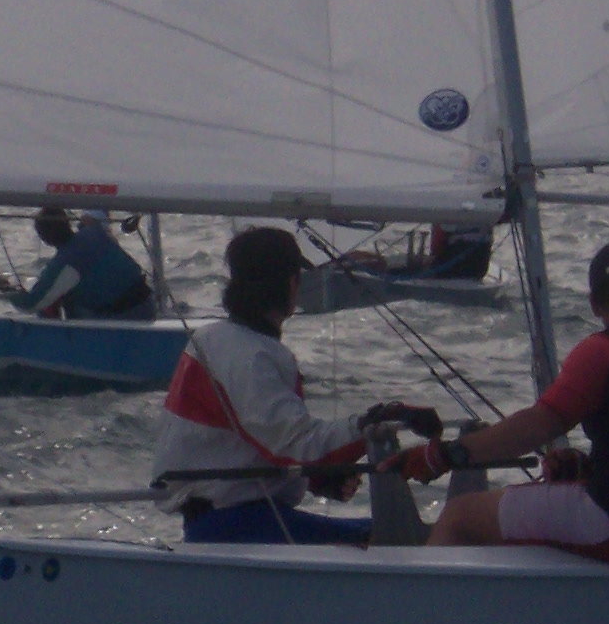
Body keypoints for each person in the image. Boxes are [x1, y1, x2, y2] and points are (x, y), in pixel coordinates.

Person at [392, 241, 609, 570]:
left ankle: (430, 606)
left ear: (594, 304)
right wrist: (587, 468)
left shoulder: (604, 350)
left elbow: (538, 426)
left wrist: (443, 455)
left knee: (459, 516)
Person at [151, 226, 438, 542]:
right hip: (236, 524)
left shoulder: (217, 340)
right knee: (401, 539)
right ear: (291, 283)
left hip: (229, 517)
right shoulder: (248, 355)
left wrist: (315, 479)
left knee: (388, 535)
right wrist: (380, 421)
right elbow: (297, 444)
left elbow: (251, 440)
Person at [0, 206, 154, 321]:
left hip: (123, 318)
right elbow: (93, 217)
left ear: (44, 239)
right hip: (147, 306)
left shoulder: (65, 263)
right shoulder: (95, 232)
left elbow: (31, 304)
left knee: (58, 300)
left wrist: (5, 288)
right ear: (67, 223)